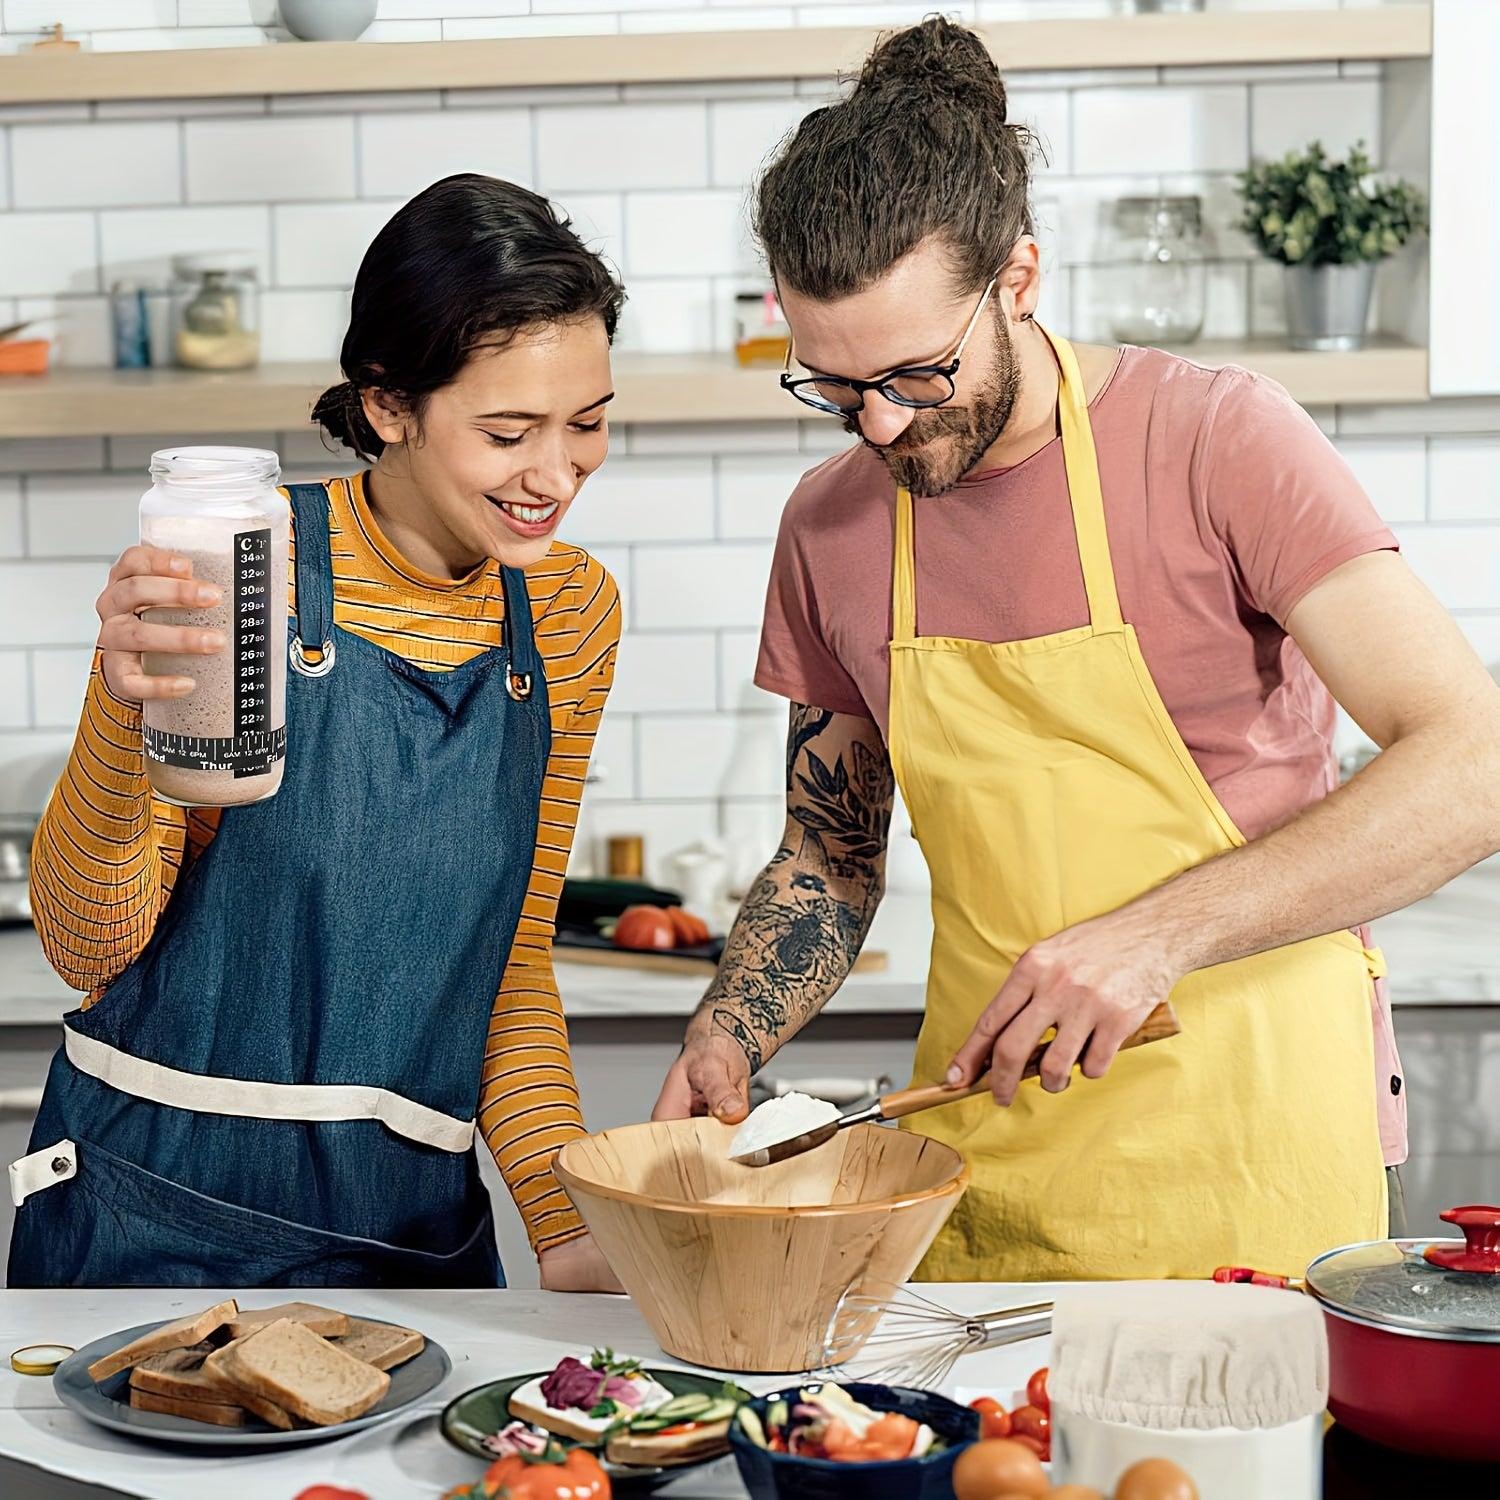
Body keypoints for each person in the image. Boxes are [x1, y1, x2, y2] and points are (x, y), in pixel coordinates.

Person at [654, 20, 1500, 1281]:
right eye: (832, 388)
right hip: (978, 1154)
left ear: (1020, 278)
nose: (879, 423)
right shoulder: (829, 526)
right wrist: (731, 1029)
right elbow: (829, 857)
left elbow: (1473, 763)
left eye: (918, 375)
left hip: (1251, 1145)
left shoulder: (1217, 441)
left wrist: (1153, 938)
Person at [10, 175, 626, 1290]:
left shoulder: (569, 616)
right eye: (507, 430)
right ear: (389, 406)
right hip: (153, 1224)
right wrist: (123, 704)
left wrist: (567, 1226)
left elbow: (510, 964)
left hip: (410, 1242)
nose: (556, 473)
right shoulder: (244, 570)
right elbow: (86, 945)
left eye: (587, 423)